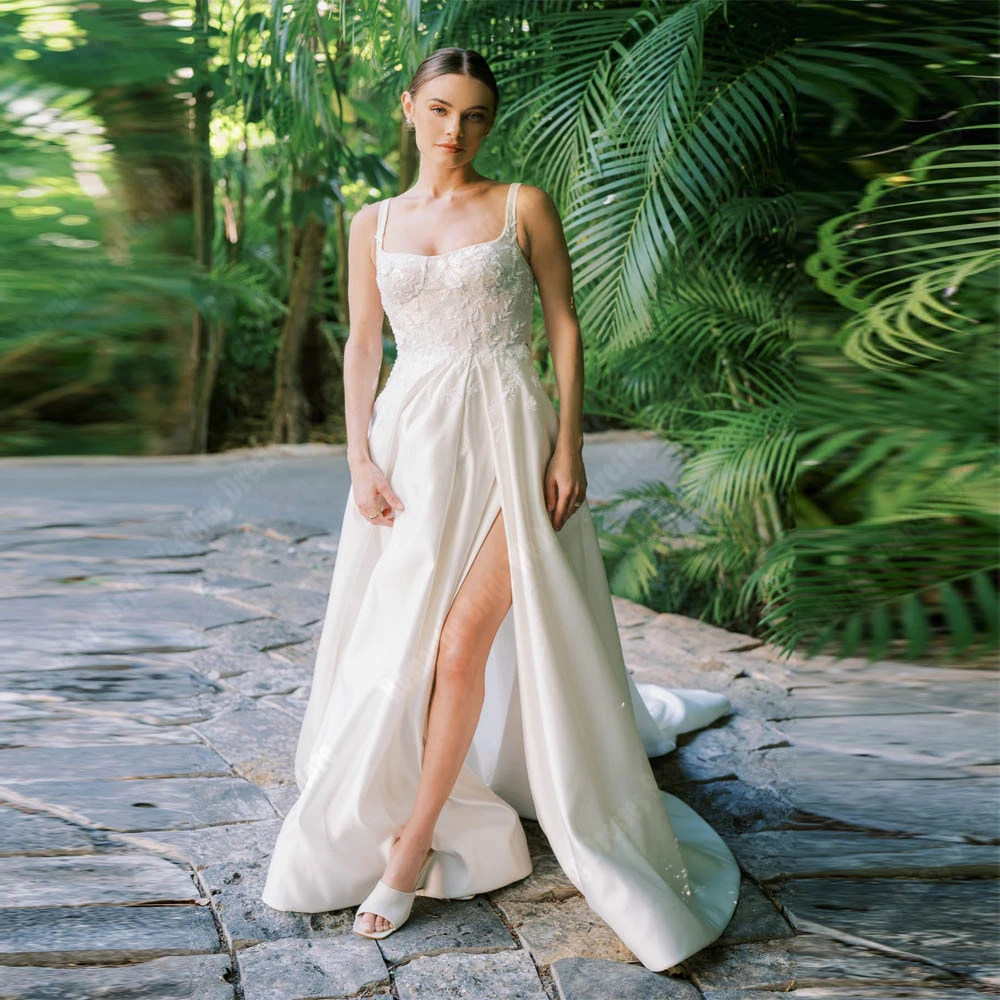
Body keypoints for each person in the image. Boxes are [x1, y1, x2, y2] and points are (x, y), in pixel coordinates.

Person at [261, 46, 740, 973]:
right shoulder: (373, 223)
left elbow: (562, 322)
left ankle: (412, 844)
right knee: (402, 647)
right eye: (441, 109)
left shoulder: (521, 204)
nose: (456, 131)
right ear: (408, 108)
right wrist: (359, 458)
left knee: (458, 644)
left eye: (476, 115)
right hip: (412, 450)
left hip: (511, 443)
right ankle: (417, 797)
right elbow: (365, 348)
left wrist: (570, 443)